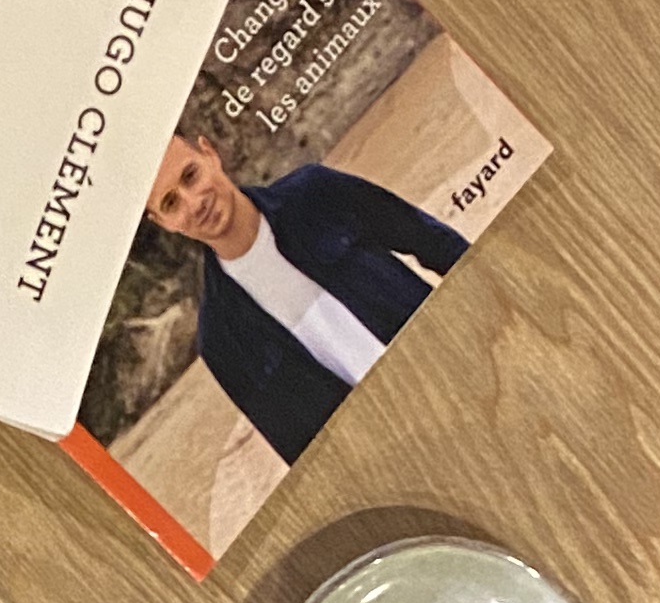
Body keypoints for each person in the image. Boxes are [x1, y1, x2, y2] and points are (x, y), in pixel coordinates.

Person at [143, 129, 468, 467]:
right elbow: (307, 459)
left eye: (190, 176)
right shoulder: (220, 339)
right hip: (406, 457)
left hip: (458, 365)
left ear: (209, 154)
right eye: (171, 203)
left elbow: (436, 244)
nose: (194, 203)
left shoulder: (315, 193)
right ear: (163, 222)